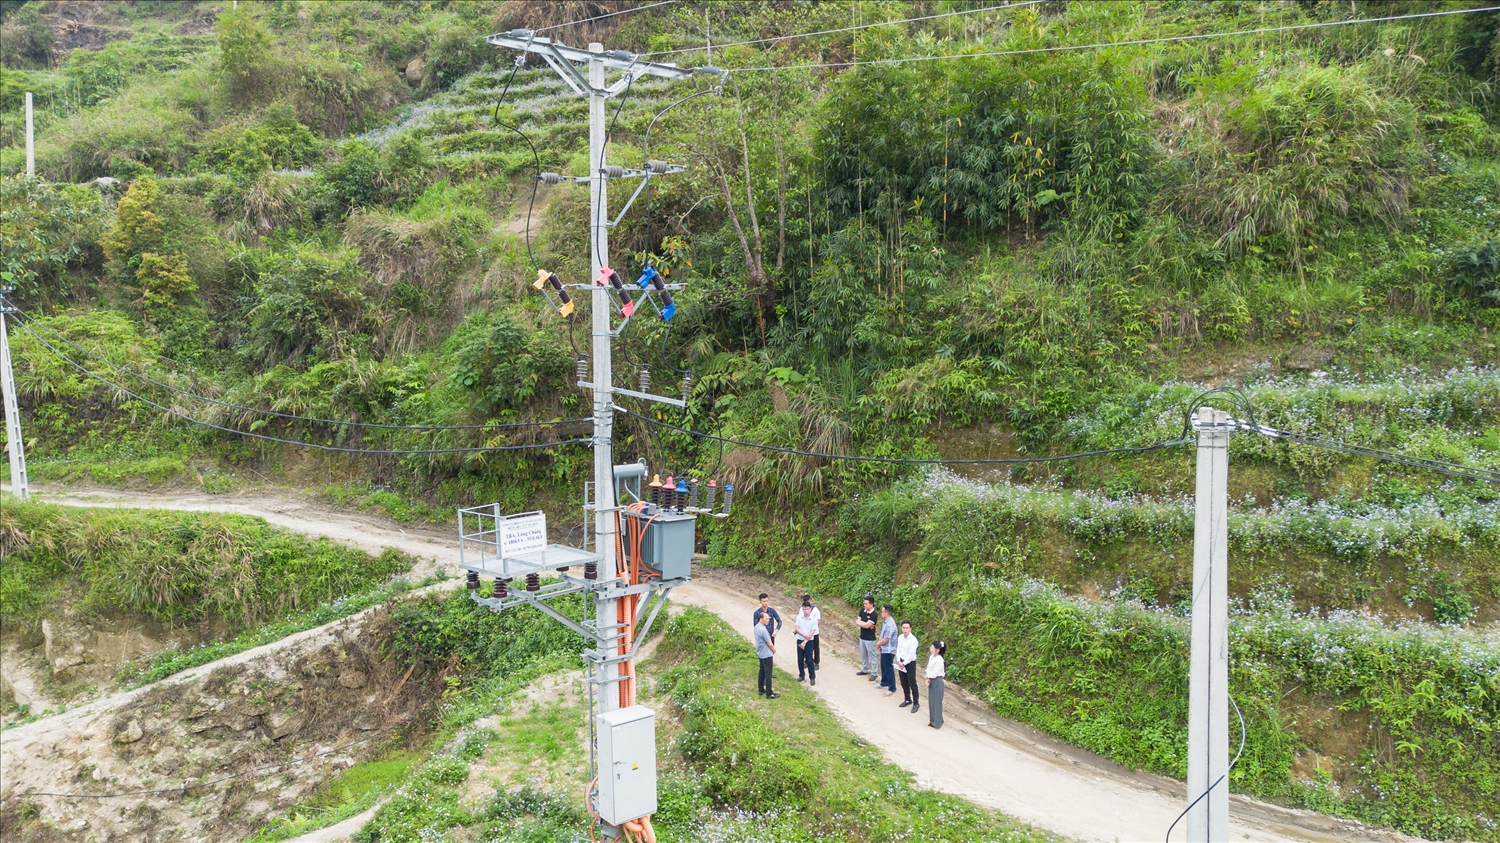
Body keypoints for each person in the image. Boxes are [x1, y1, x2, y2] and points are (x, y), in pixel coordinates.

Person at [895, 620, 920, 714]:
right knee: (903, 682)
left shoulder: (913, 640)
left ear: (910, 629)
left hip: (909, 663)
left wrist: (904, 663)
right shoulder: (900, 637)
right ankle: (907, 699)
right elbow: (898, 649)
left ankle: (916, 703)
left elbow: (911, 654)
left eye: (907, 628)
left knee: (912, 683)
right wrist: (898, 660)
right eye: (903, 628)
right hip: (901, 661)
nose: (905, 630)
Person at [754, 610, 779, 698]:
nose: (768, 620)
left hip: (760, 653)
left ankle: (761, 689)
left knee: (762, 672)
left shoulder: (757, 627)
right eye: (767, 619)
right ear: (761, 619)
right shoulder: (763, 630)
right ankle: (769, 693)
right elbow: (769, 643)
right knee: (768, 674)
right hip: (767, 654)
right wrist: (773, 650)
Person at [794, 601, 819, 685]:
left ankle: (812, 677)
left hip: (809, 641)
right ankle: (801, 675)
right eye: (804, 609)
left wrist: (805, 641)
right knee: (800, 659)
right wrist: (804, 635)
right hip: (800, 639)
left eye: (807, 609)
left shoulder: (813, 620)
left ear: (810, 609)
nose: (806, 611)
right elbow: (797, 628)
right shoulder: (799, 617)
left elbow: (812, 632)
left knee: (809, 659)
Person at [876, 605, 898, 696]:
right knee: (883, 666)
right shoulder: (886, 622)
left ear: (886, 612)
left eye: (882, 611)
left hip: (889, 650)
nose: (881, 613)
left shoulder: (890, 624)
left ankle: (892, 687)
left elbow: (886, 639)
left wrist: (878, 644)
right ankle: (884, 682)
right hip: (884, 648)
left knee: (888, 668)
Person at [856, 595, 878, 680]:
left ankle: (874, 672)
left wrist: (862, 623)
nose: (865, 605)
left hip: (870, 639)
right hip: (862, 637)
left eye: (866, 604)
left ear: (871, 604)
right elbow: (859, 621)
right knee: (863, 654)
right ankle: (865, 669)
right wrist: (864, 624)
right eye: (864, 604)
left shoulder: (874, 614)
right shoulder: (862, 611)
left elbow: (866, 625)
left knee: (872, 656)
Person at [926, 640, 946, 729]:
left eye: (932, 648)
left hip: (937, 681)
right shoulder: (931, 657)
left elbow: (935, 673)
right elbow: (929, 668)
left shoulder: (939, 660)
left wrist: (927, 677)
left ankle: (937, 722)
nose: (931, 649)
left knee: (937, 702)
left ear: (937, 650)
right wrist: (927, 677)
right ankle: (933, 720)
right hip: (931, 680)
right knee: (931, 701)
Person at [800, 593, 821, 668]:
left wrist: (812, 627)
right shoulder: (802, 609)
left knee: (815, 647)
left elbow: (818, 621)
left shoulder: (815, 610)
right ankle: (807, 661)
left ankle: (816, 662)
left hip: (814, 633)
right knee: (806, 647)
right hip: (806, 633)